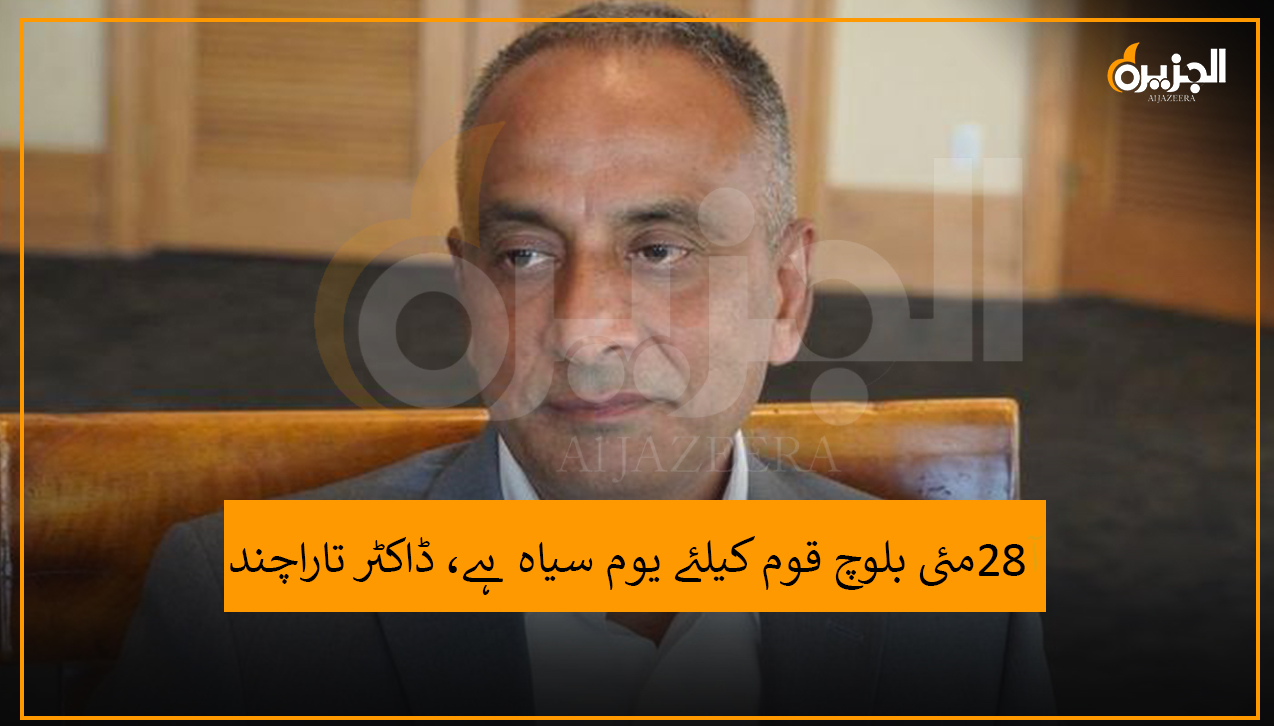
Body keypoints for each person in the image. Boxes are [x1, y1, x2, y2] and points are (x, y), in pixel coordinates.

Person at [91, 2, 1054, 715]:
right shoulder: (236, 610)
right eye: (524, 256)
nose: (585, 330)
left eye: (660, 250)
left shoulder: (958, 611)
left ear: (787, 294)